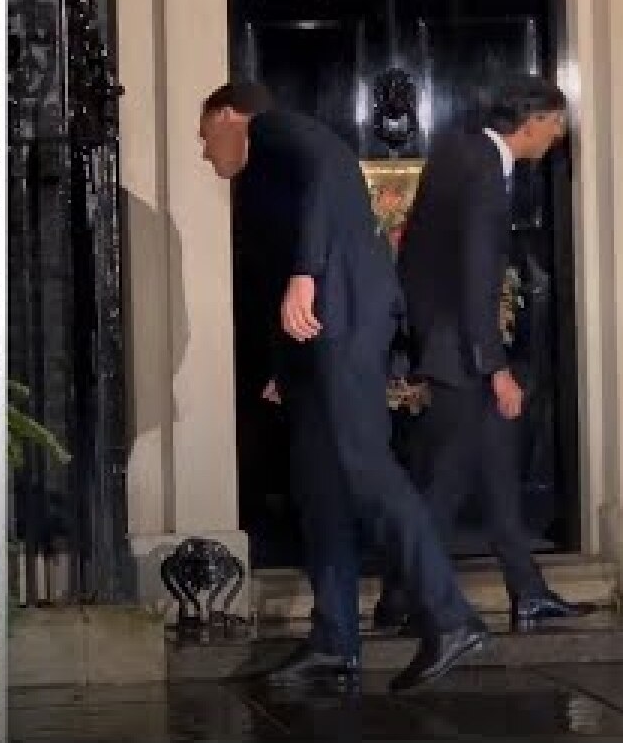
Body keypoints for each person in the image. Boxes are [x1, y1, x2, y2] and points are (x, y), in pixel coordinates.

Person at [199, 80, 486, 693]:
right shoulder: (263, 177)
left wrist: (307, 273)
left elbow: (333, 167)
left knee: (363, 467)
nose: (205, 152)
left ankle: (452, 616)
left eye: (205, 135)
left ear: (229, 115)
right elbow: (282, 251)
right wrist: (284, 362)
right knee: (320, 486)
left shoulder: (272, 130)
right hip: (312, 342)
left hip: (344, 317)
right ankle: (335, 641)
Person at [373, 75, 592, 632]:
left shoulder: (458, 151)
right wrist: (494, 368)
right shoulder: (483, 171)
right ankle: (403, 596)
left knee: (495, 472)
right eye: (556, 122)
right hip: (462, 352)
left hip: (445, 341)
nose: (559, 134)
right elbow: (475, 277)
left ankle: (528, 590)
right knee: (442, 485)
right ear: (530, 120)